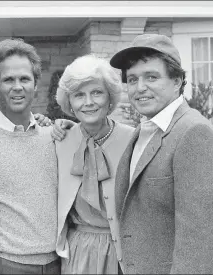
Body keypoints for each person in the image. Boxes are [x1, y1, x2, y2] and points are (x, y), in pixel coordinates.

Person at [109, 33, 213, 274]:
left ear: (177, 81)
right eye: (132, 79)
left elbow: (198, 240)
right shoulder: (145, 129)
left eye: (151, 77)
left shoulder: (194, 132)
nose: (139, 87)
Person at [0, 38, 61, 274]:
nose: (17, 86)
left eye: (24, 79)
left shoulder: (54, 135)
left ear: (35, 84)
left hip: (59, 263)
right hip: (5, 264)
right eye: (8, 79)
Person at [55, 55, 134, 274]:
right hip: (75, 252)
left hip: (122, 254)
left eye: (96, 92)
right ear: (69, 103)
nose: (88, 102)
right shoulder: (60, 140)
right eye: (79, 95)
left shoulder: (133, 141)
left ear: (110, 97)